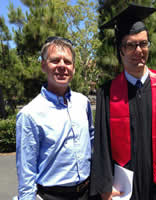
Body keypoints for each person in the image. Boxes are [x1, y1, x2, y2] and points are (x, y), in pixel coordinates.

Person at [90, 3, 156, 200]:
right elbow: (102, 144)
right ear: (120, 50)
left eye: (143, 43)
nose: (138, 50)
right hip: (124, 190)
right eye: (131, 45)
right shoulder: (107, 93)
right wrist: (104, 186)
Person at [16, 36, 94, 200]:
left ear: (73, 68)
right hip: (53, 195)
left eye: (67, 62)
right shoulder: (30, 114)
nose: (62, 66)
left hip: (88, 192)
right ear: (43, 65)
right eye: (55, 60)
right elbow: (26, 171)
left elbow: (92, 142)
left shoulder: (83, 103)